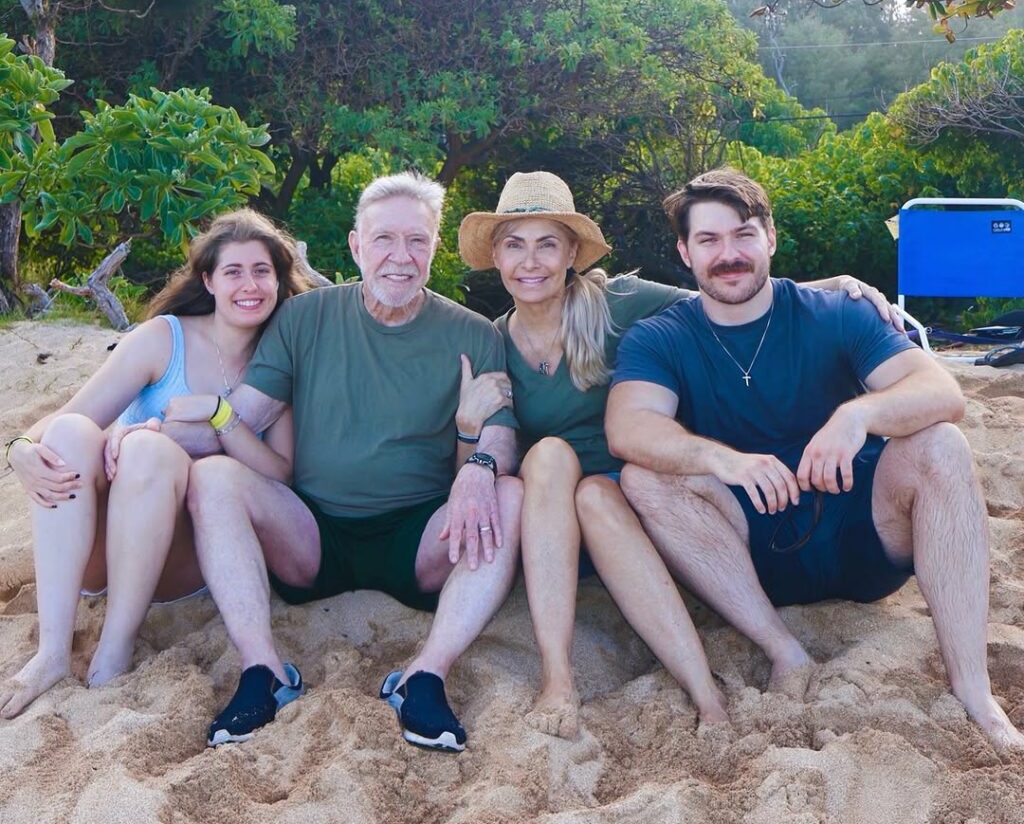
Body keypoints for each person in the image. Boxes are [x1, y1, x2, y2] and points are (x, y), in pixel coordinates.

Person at [456, 171, 906, 738]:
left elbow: (726, 296)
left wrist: (833, 287)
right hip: (555, 529)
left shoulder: (618, 302)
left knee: (597, 492)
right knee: (548, 457)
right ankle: (557, 677)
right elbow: (477, 465)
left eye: (547, 243)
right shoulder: (491, 341)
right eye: (514, 245)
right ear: (495, 256)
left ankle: (705, 695)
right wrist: (467, 428)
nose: (531, 262)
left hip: (652, 513)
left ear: (571, 253)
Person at [605, 166, 1024, 749]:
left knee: (942, 444)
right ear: (685, 252)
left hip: (862, 533)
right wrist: (724, 460)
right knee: (644, 478)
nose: (729, 254)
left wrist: (857, 416)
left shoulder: (834, 313)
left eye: (743, 234)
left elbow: (942, 391)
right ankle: (784, 649)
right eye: (709, 239)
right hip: (745, 560)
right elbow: (628, 425)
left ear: (771, 237)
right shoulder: (662, 337)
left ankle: (975, 691)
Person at [174, 171, 522, 751]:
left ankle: (425, 675)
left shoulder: (474, 333)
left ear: (434, 248)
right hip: (312, 533)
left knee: (509, 492)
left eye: (416, 240)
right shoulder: (303, 318)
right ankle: (264, 671)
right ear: (357, 245)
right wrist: (135, 439)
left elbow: (501, 438)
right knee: (213, 477)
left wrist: (480, 467)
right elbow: (246, 416)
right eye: (384, 239)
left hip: (420, 539)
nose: (400, 257)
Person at [0, 209, 307, 719]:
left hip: (183, 559)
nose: (249, 285)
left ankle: (115, 649)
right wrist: (19, 448)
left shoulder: (279, 361)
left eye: (262, 271)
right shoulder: (165, 338)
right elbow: (73, 414)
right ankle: (52, 651)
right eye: (233, 271)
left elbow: (281, 475)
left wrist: (220, 418)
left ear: (278, 281)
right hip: (100, 550)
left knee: (149, 447)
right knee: (71, 432)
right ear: (208, 280)